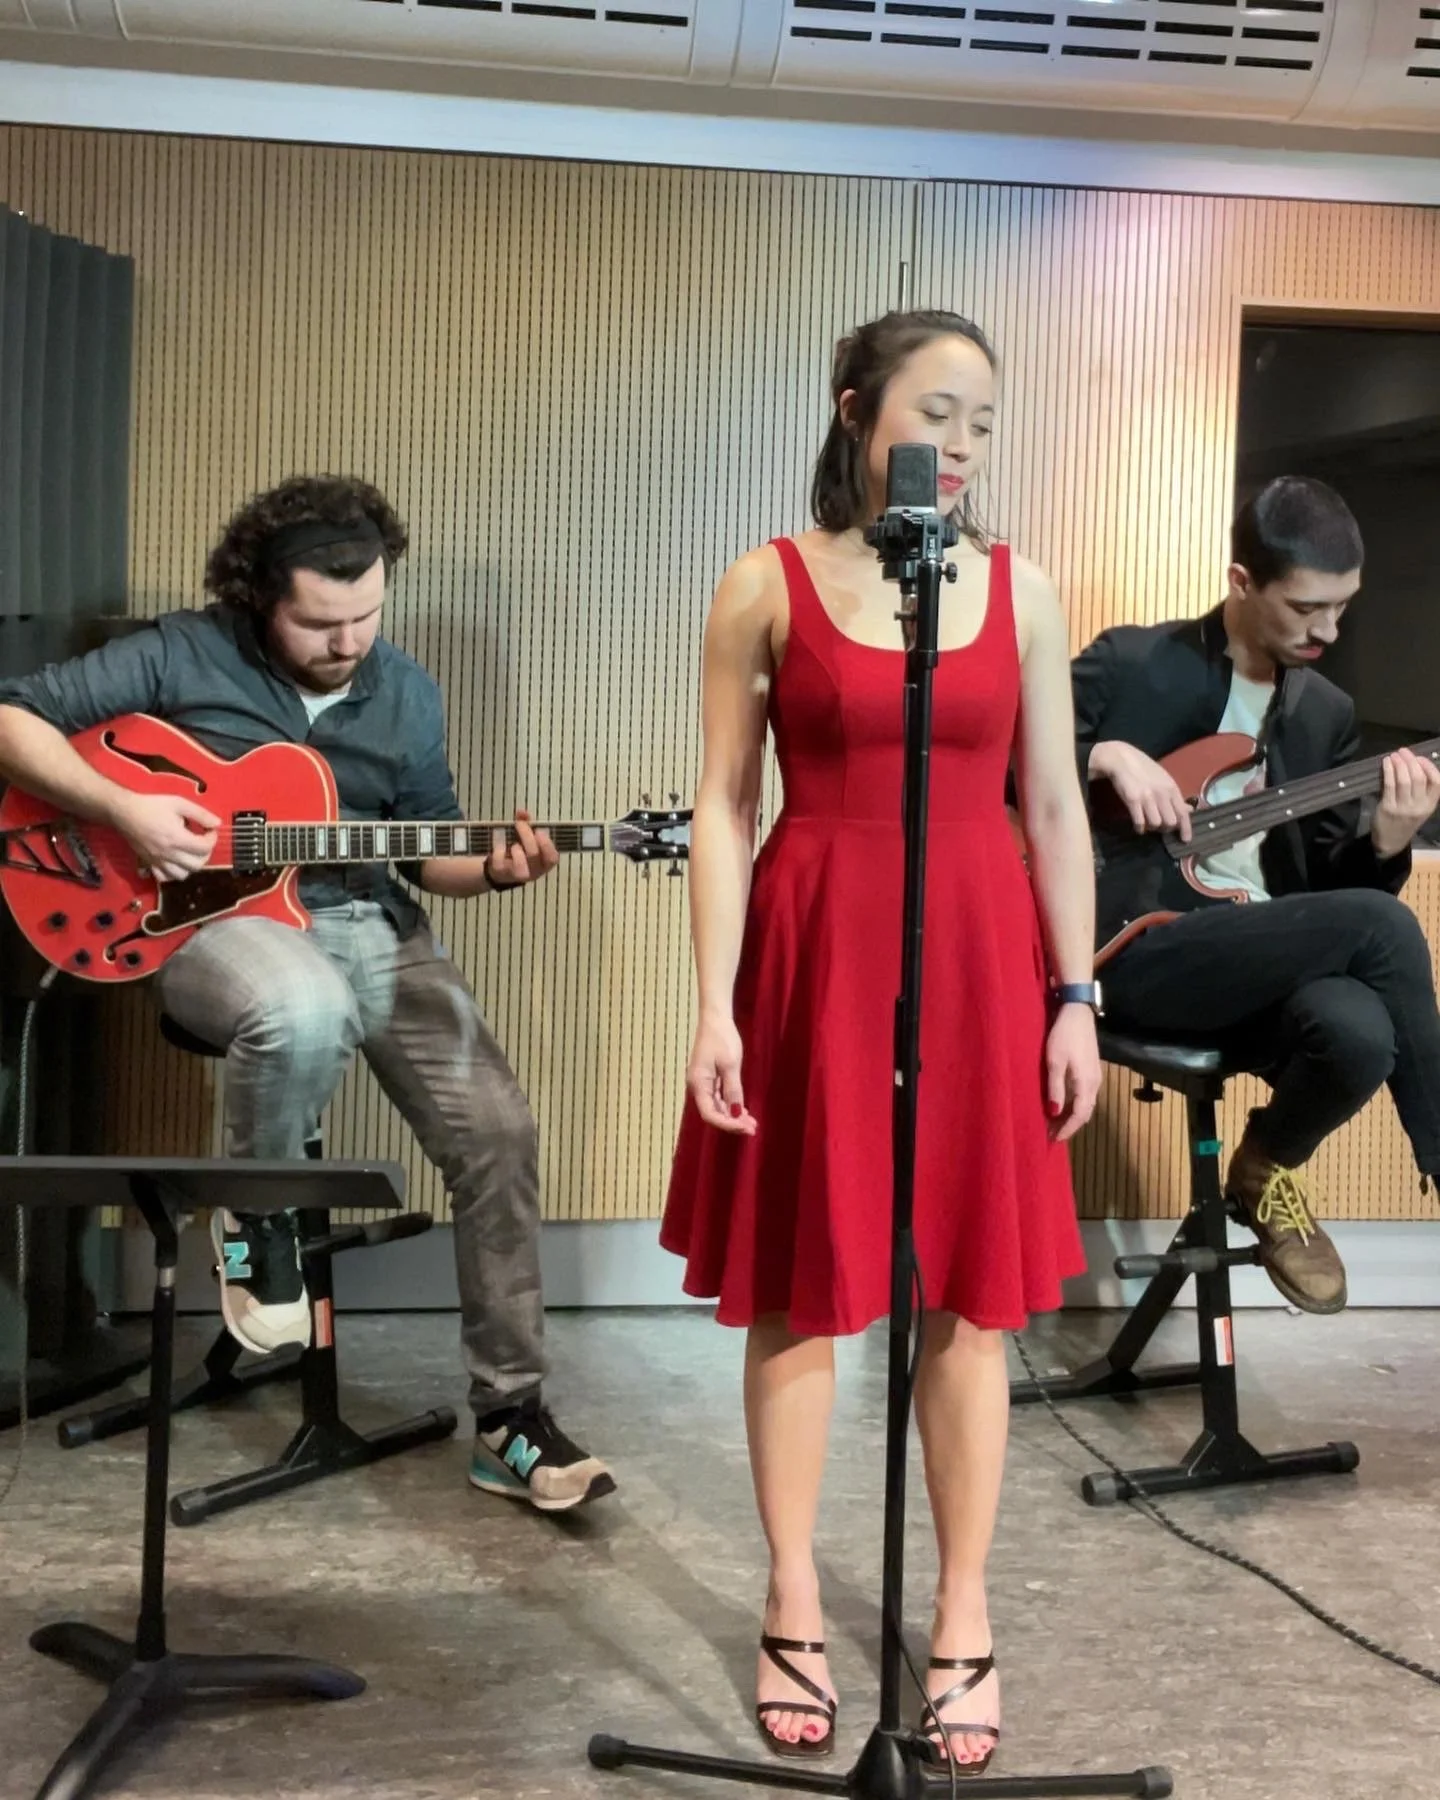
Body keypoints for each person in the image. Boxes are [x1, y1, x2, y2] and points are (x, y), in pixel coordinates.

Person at [660, 310, 1100, 1770]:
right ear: (857, 412)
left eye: (985, 420)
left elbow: (1052, 809)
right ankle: (792, 1592)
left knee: (972, 1290)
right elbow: (722, 808)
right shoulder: (763, 585)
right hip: (813, 939)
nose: (965, 446)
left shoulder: (1022, 590)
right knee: (802, 1279)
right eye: (939, 412)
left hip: (980, 950)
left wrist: (1075, 995)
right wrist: (714, 1000)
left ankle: (961, 1609)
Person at [0, 475, 614, 1514]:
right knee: (302, 1006)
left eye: (366, 615)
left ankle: (510, 1421)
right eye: (319, 622)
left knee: (500, 1133)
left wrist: (497, 869)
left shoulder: (407, 692)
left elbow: (431, 852)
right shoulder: (181, 651)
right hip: (210, 928)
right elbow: (13, 718)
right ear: (258, 597)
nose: (348, 641)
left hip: (369, 920)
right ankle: (256, 1223)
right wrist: (127, 811)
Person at [1075, 474, 1440, 1315]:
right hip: (1131, 951)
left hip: (1250, 954)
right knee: (1383, 926)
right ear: (1243, 582)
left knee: (1357, 1031)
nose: (1329, 630)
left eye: (1343, 608)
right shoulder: (1133, 661)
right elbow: (999, 754)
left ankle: (1267, 1164)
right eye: (1307, 608)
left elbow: (1329, 903)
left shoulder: (1325, 714)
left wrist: (1386, 840)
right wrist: (1101, 755)